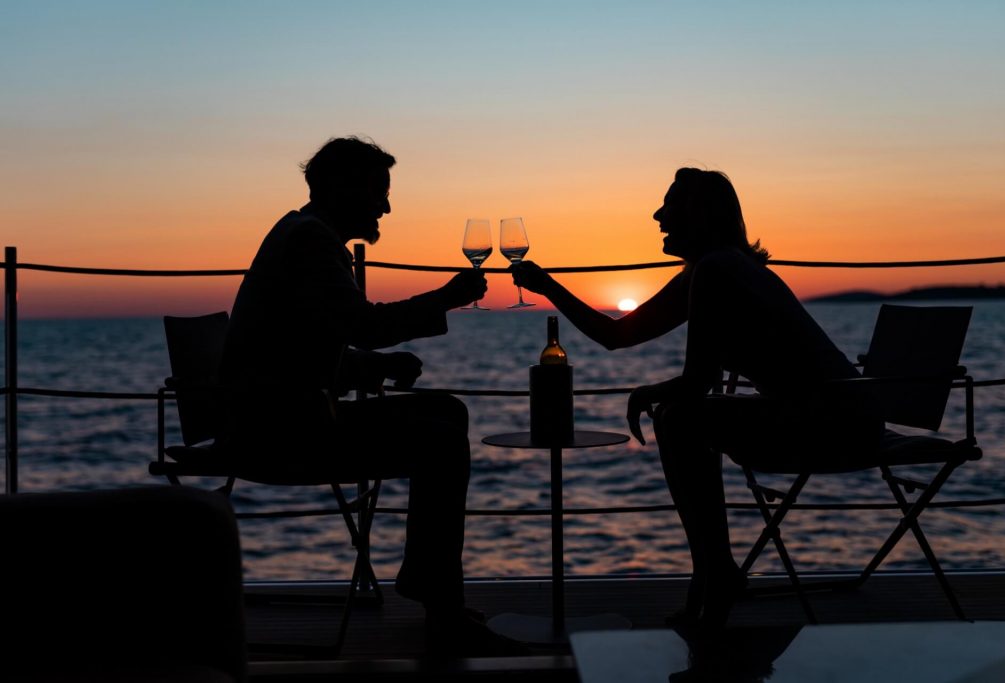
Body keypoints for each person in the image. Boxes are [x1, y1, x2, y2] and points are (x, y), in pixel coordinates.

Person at [512, 167, 883, 630]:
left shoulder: (715, 270)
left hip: (834, 422)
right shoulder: (713, 267)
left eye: (669, 206)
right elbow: (617, 334)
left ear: (699, 215)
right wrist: (548, 287)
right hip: (840, 412)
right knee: (678, 416)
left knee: (679, 418)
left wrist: (645, 393)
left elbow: (696, 380)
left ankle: (714, 571)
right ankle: (715, 570)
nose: (657, 214)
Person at [220, 136, 524, 656]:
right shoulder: (310, 242)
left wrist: (373, 366)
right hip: (283, 431)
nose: (386, 206)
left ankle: (430, 586)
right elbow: (363, 325)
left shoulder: (303, 234)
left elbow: (302, 345)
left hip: (280, 411)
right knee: (442, 444)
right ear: (341, 188)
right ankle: (442, 608)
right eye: (379, 192)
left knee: (447, 411)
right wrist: (447, 298)